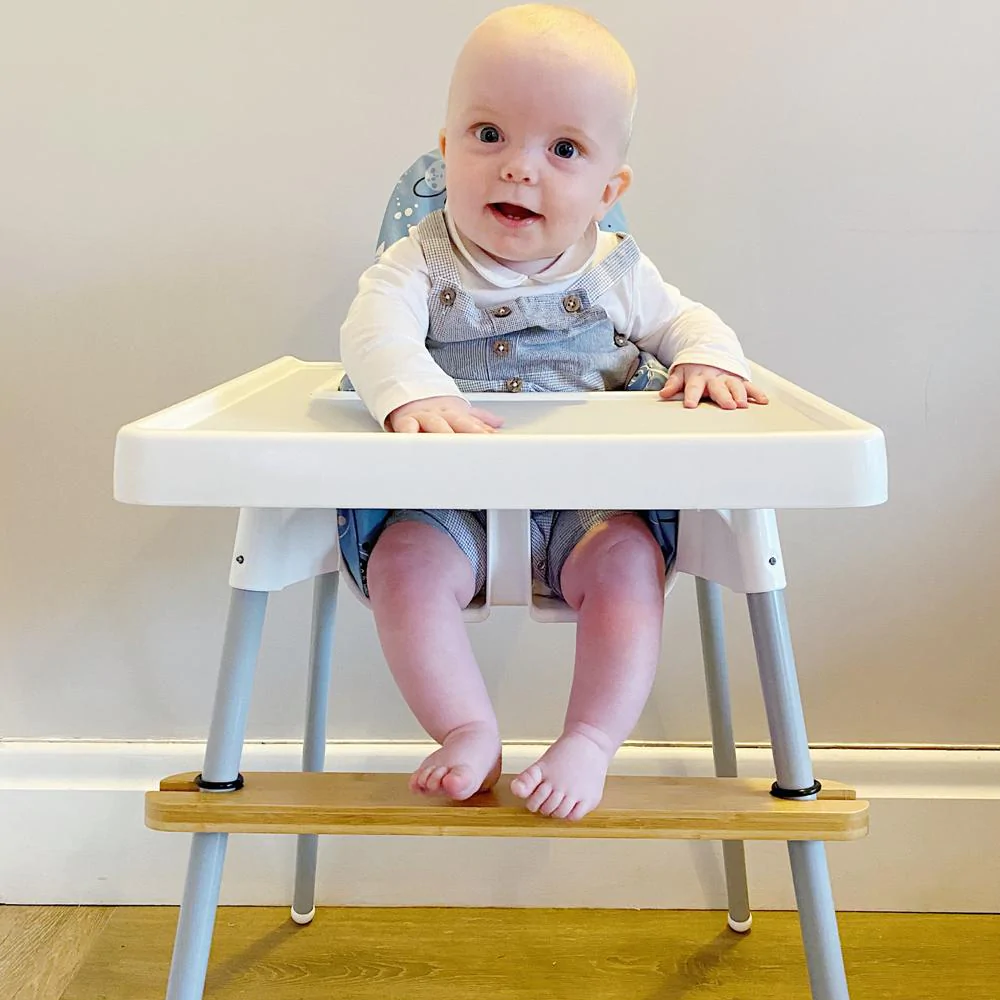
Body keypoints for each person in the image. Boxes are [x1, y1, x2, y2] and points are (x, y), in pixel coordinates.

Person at [339, 4, 768, 821]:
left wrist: (707, 359)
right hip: (448, 504)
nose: (518, 168)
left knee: (631, 566)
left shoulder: (616, 269)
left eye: (562, 149)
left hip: (589, 507)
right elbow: (371, 331)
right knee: (401, 568)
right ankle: (466, 726)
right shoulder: (415, 264)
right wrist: (413, 390)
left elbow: (688, 321)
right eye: (488, 134)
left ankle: (591, 740)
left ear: (609, 191)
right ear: (445, 148)